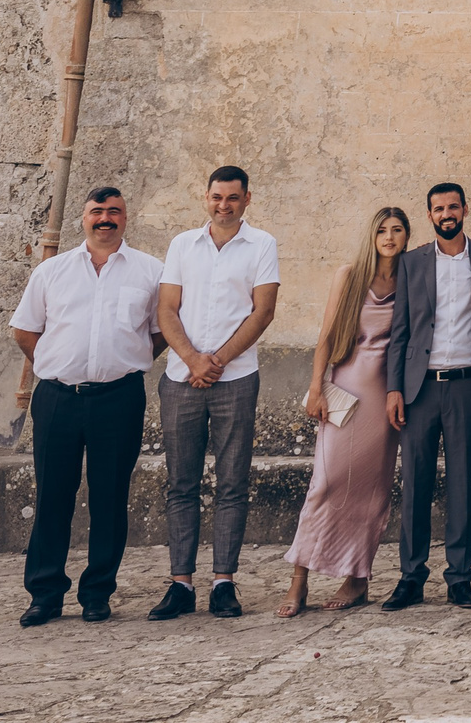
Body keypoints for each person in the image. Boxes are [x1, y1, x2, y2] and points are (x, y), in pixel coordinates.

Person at [11, 185, 164, 626]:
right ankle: (45, 594)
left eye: (114, 211)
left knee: (110, 498)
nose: (105, 218)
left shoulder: (151, 272)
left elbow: (160, 333)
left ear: (125, 218)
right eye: (97, 211)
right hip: (57, 398)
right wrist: (55, 363)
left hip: (119, 399)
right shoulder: (52, 271)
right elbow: (25, 330)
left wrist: (126, 361)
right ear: (84, 218)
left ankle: (97, 593)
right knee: (52, 496)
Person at [150, 165, 280, 621]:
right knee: (180, 484)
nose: (224, 205)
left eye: (232, 197)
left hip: (237, 378)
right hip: (181, 379)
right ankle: (181, 584)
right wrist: (192, 360)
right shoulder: (182, 244)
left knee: (232, 483)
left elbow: (263, 312)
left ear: (247, 199)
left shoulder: (262, 244)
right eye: (217, 197)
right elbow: (167, 309)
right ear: (206, 197)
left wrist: (217, 360)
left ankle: (223, 582)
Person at [382, 182, 471, 610]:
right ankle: (411, 577)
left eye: (453, 207)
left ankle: (459, 578)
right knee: (414, 484)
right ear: (430, 215)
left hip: (468, 386)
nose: (446, 214)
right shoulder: (411, 262)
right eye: (439, 209)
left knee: (461, 484)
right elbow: (400, 330)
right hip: (419, 389)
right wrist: (394, 388)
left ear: (465, 210)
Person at [278, 206, 408, 616]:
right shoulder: (349, 275)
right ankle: (299, 580)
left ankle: (357, 578)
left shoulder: (411, 278)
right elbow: (327, 336)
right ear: (372, 235)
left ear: (406, 236)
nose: (389, 237)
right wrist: (316, 388)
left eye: (397, 230)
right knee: (325, 483)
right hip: (345, 391)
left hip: (385, 397)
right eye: (382, 230)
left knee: (372, 492)